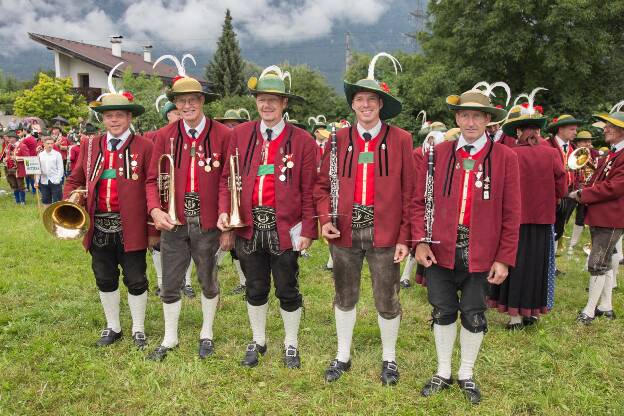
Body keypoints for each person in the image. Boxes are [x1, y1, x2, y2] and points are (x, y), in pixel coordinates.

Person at [413, 88, 520, 404]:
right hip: (439, 249)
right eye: (464, 115)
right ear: (456, 118)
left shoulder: (506, 158)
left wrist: (504, 258)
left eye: (477, 115)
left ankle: (466, 374)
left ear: (488, 120)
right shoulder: (438, 154)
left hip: (482, 253)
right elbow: (418, 202)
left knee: (474, 313)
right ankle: (443, 371)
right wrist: (419, 241)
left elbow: (513, 214)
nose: (470, 121)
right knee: (442, 310)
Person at [315, 53, 414, 385]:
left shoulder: (401, 140)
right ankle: (343, 356)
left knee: (387, 299)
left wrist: (405, 237)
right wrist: (326, 217)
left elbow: (411, 191)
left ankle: (389, 359)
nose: (366, 104)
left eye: (372, 99)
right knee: (345, 295)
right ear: (352, 104)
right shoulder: (337, 140)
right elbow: (322, 184)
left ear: (381, 105)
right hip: (344, 231)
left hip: (385, 233)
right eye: (360, 99)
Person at [217, 64, 317, 369]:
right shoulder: (239, 135)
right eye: (262, 98)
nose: (267, 104)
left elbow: (312, 190)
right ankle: (258, 340)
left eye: (274, 98)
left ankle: (290, 344)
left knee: (287, 288)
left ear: (284, 103)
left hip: (285, 229)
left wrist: (308, 231)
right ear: (256, 101)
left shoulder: (303, 141)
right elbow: (226, 179)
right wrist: (225, 211)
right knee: (255, 287)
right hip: (248, 227)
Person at [147, 54, 231, 361]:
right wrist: (155, 211)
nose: (187, 106)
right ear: (175, 105)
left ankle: (206, 332)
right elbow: (152, 179)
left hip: (208, 221)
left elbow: (227, 179)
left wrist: (224, 212)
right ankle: (170, 338)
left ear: (202, 101)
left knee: (208, 278)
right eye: (181, 102)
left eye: (193, 100)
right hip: (174, 221)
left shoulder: (224, 134)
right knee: (170, 280)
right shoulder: (164, 136)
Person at [64, 68, 153, 349]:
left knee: (136, 279)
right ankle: (113, 326)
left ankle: (138, 328)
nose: (114, 120)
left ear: (129, 118)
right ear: (103, 119)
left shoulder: (145, 146)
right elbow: (74, 179)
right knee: (104, 277)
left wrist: (152, 228)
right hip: (99, 224)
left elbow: (152, 187)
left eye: (120, 115)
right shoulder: (90, 146)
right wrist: (71, 201)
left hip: (132, 226)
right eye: (109, 115)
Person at [488, 102, 566, 329]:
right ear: (539, 132)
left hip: (514, 220)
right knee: (537, 267)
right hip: (543, 220)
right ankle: (532, 313)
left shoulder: (509, 153)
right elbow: (562, 189)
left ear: (520, 132)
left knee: (515, 265)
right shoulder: (552, 154)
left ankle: (515, 318)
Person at [572, 104, 624, 324]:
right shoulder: (614, 153)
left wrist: (583, 194)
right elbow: (601, 181)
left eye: (610, 127)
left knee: (597, 264)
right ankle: (606, 307)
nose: (605, 130)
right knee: (606, 260)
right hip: (604, 215)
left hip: (610, 217)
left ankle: (589, 311)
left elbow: (614, 187)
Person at [149, 95, 195, 299]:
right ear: (168, 114)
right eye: (176, 113)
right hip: (165, 202)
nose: (180, 116)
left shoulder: (193, 136)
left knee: (191, 244)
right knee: (159, 245)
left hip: (188, 204)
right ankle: (162, 281)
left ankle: (187, 281)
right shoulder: (157, 136)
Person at [214, 108, 251, 294]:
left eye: (234, 125)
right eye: (226, 124)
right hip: (221, 199)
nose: (230, 128)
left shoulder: (245, 143)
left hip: (241, 201)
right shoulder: (219, 142)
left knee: (239, 247)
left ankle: (245, 282)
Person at [545, 114, 583, 257]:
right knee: (550, 229)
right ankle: (547, 262)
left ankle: (552, 263)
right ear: (560, 129)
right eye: (572, 129)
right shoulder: (547, 144)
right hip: (551, 195)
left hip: (568, 193)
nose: (575, 132)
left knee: (560, 228)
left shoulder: (572, 148)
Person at [567, 130, 599, 254]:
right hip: (573, 188)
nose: (588, 144)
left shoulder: (593, 154)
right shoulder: (572, 153)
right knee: (565, 215)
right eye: (585, 141)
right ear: (578, 143)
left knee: (580, 217)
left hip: (586, 190)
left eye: (589, 141)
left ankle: (572, 245)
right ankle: (559, 241)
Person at [37, 136, 64, 207]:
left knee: (57, 201)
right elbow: (38, 169)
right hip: (44, 180)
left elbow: (60, 168)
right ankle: (48, 215)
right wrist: (36, 181)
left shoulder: (57, 154)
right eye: (48, 143)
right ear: (44, 144)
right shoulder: (40, 155)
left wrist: (58, 179)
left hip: (55, 180)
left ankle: (57, 216)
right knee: (46, 200)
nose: (50, 145)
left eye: (52, 143)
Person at [2, 130, 27, 204]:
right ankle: (17, 201)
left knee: (20, 185)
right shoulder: (9, 146)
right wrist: (5, 159)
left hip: (18, 169)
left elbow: (27, 157)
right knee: (13, 185)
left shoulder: (22, 146)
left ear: (15, 138)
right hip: (9, 168)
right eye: (8, 138)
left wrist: (17, 158)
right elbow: (8, 155)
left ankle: (22, 201)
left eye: (10, 138)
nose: (8, 139)